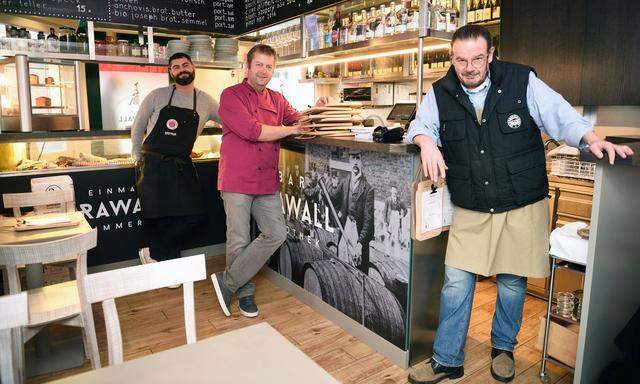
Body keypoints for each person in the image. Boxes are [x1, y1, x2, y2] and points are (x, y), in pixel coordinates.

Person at [405, 25, 633, 384]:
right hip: (471, 203)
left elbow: (560, 114)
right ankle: (447, 359)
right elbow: (421, 124)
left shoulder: (521, 80)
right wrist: (426, 142)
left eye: (477, 58)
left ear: (491, 55)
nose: (469, 67)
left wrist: (591, 138)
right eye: (461, 60)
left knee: (512, 283)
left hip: (521, 200)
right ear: (452, 58)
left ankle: (503, 349)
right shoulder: (440, 92)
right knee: (456, 283)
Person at [211, 44, 329, 318]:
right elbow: (253, 132)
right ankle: (244, 292)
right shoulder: (230, 96)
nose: (264, 71)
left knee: (276, 233)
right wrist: (292, 128)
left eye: (269, 66)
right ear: (247, 66)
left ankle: (227, 282)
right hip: (237, 178)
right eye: (259, 65)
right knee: (239, 239)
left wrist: (316, 112)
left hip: (265, 179)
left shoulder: (276, 98)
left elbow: (298, 119)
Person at [132, 52, 220, 270]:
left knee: (195, 216)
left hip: (181, 164)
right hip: (153, 164)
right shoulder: (157, 95)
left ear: (193, 67)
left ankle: (154, 253)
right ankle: (170, 268)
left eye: (185, 65)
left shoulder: (205, 100)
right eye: (176, 67)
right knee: (163, 219)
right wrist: (136, 157)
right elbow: (138, 125)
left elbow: (230, 121)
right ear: (170, 72)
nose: (182, 69)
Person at [383, 185, 408, 259]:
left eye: (395, 191)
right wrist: (385, 221)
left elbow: (405, 210)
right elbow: (385, 211)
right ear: (391, 191)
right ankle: (387, 252)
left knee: (397, 237)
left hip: (397, 218)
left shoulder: (400, 201)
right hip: (390, 219)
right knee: (388, 236)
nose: (394, 192)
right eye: (393, 191)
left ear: (397, 192)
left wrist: (402, 216)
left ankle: (397, 255)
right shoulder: (387, 200)